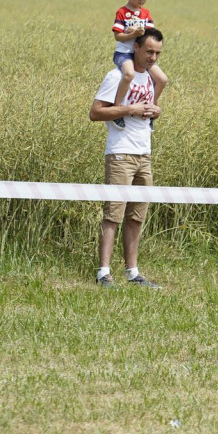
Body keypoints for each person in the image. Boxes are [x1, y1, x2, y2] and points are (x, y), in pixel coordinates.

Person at [89, 27, 165, 289]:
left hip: (145, 153)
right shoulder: (117, 76)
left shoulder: (150, 80)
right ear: (136, 48)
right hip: (121, 152)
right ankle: (103, 272)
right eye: (149, 51)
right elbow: (96, 113)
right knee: (114, 214)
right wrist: (129, 109)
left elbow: (149, 110)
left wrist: (155, 111)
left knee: (137, 215)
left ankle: (132, 272)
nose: (153, 57)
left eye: (157, 53)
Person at [109, 0, 168, 130]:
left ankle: (151, 109)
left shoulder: (145, 13)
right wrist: (132, 34)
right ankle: (117, 110)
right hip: (125, 54)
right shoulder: (122, 12)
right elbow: (117, 36)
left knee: (162, 79)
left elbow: (150, 33)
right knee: (129, 74)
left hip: (140, 55)